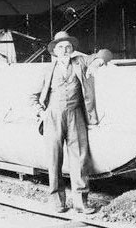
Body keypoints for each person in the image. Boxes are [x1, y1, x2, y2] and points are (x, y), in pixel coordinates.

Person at [29, 31, 112, 214]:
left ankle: (81, 203)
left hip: (77, 115)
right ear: (54, 51)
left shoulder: (81, 62)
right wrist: (42, 113)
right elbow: (32, 97)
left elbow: (106, 53)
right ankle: (57, 202)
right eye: (60, 47)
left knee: (80, 159)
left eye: (68, 47)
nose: (64, 50)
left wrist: (97, 62)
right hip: (53, 117)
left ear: (72, 49)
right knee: (54, 159)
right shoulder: (47, 70)